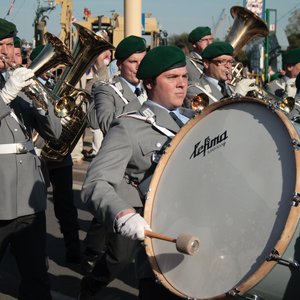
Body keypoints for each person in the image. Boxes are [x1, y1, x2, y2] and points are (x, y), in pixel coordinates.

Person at [80, 45, 195, 299]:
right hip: (162, 242)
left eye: (184, 77)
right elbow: (95, 183)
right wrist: (123, 214)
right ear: (150, 84)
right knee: (120, 258)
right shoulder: (130, 127)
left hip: (203, 233)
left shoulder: (197, 121)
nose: (181, 84)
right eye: (172, 77)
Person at [0, 18, 62, 299]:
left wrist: (41, 100)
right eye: (0, 46)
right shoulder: (8, 87)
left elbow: (55, 132)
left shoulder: (13, 79)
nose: (6, 52)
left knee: (37, 277)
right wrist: (6, 94)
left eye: (10, 44)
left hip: (29, 197)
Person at [80, 34, 148, 277]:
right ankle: (90, 286)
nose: (140, 67)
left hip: (151, 177)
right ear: (119, 65)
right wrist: (144, 113)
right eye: (133, 62)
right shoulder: (106, 89)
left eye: (143, 61)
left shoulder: (150, 87)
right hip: (124, 178)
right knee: (119, 258)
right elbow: (108, 123)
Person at [29, 44, 82, 264]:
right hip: (38, 154)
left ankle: (73, 247)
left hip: (60, 155)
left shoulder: (57, 85)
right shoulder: (26, 87)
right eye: (48, 65)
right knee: (36, 205)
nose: (51, 70)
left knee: (65, 204)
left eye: (53, 66)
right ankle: (33, 251)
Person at [185, 41, 258, 108]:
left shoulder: (233, 88)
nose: (228, 66)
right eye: (222, 61)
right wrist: (236, 97)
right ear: (206, 63)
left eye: (230, 61)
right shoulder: (194, 89)